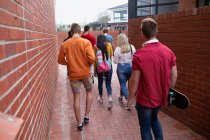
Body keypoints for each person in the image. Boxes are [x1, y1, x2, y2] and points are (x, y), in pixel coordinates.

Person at [127, 18, 177, 140]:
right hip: (160, 97)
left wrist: (130, 97)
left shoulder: (139, 55)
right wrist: (169, 90)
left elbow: (134, 80)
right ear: (156, 31)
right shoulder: (168, 51)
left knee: (145, 127)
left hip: (145, 99)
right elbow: (174, 75)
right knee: (154, 119)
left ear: (142, 34)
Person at [57, 23, 95, 131]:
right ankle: (86, 116)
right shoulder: (86, 42)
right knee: (89, 92)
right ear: (79, 31)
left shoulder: (65, 44)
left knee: (76, 97)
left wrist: (69, 63)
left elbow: (60, 60)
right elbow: (92, 58)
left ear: (71, 31)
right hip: (86, 73)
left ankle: (79, 124)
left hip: (73, 75)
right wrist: (86, 64)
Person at [113, 33, 136, 104]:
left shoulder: (117, 49)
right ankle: (121, 97)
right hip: (130, 67)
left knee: (123, 84)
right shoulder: (131, 47)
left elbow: (115, 62)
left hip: (121, 68)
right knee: (126, 84)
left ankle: (129, 99)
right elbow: (135, 57)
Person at [94, 34, 113, 109]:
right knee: (108, 83)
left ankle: (101, 98)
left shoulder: (95, 47)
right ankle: (110, 97)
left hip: (100, 68)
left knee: (100, 82)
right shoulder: (109, 45)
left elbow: (94, 60)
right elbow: (111, 55)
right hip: (108, 67)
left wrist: (95, 70)